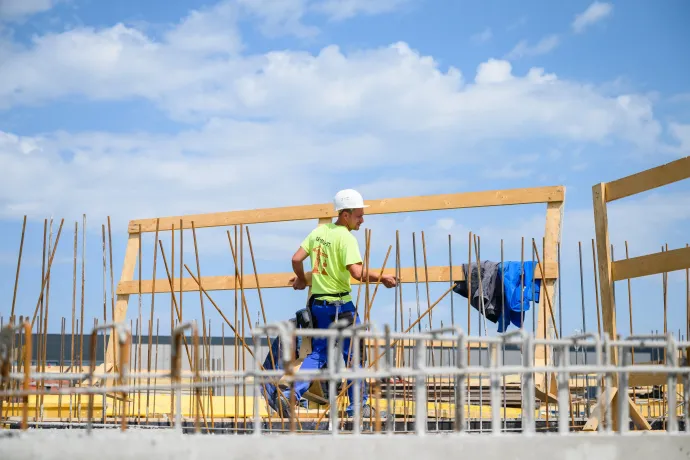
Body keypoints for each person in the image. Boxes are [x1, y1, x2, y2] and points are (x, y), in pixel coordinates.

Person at [270, 189, 397, 418]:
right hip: (342, 307)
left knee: (318, 354)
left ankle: (290, 395)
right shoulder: (346, 238)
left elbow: (296, 258)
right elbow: (357, 273)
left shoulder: (319, 233)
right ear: (345, 215)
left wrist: (301, 278)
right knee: (354, 357)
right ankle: (358, 408)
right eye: (358, 215)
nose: (362, 219)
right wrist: (383, 278)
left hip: (318, 306)